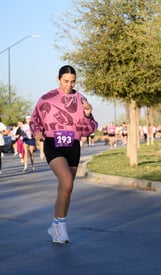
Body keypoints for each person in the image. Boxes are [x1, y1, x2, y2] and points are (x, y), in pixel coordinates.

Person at [30, 65, 98, 243]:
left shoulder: (81, 98)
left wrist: (88, 115)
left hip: (73, 145)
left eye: (73, 81)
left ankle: (55, 226)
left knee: (65, 189)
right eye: (66, 81)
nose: (69, 84)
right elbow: (34, 120)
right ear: (58, 79)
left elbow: (88, 129)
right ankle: (61, 227)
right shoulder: (47, 99)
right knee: (67, 182)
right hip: (53, 144)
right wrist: (37, 132)